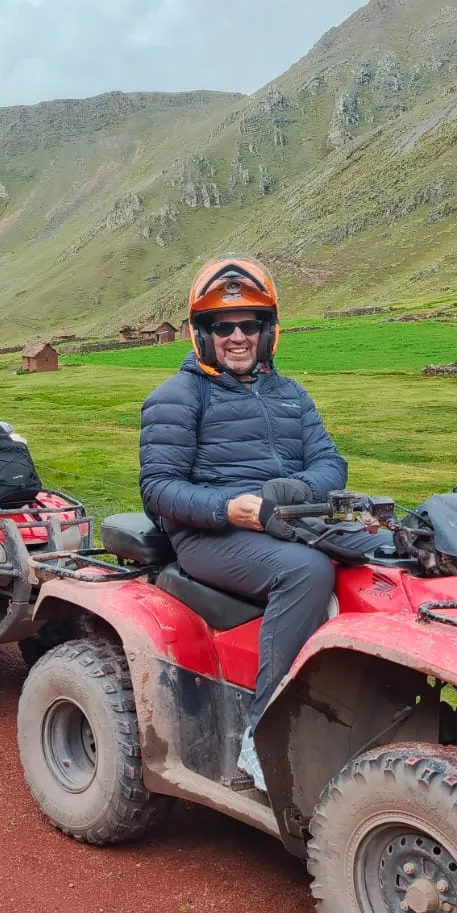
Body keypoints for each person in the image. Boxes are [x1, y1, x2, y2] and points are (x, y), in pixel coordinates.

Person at [139, 256, 347, 793]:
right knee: (305, 572)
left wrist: (295, 493)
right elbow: (158, 488)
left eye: (249, 325)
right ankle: (262, 738)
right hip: (208, 537)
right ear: (200, 334)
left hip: (287, 519)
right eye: (222, 326)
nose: (237, 337)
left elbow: (331, 466)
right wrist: (229, 508)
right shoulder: (178, 396)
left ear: (267, 332)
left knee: (394, 554)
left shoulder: (291, 394)